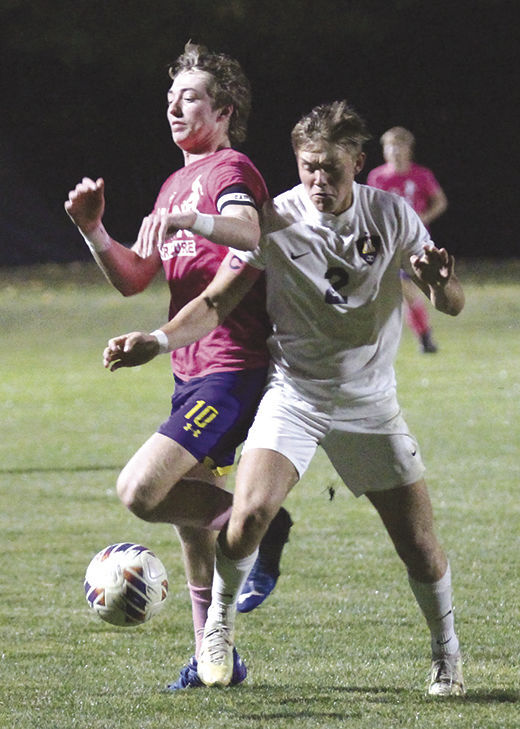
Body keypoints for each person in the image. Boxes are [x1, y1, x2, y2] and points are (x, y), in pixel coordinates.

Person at [103, 100, 466, 697]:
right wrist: (158, 341)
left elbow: (451, 302)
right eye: (307, 168)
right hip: (293, 392)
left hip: (369, 402)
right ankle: (217, 626)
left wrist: (438, 280)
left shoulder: (392, 215)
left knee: (419, 546)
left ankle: (446, 654)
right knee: (247, 517)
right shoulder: (276, 221)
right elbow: (218, 301)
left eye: (331, 168)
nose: (318, 180)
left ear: (358, 161)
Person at [65, 42, 292, 690]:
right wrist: (94, 231)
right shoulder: (173, 183)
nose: (174, 104)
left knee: (142, 490)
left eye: (189, 95)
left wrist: (194, 216)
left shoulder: (230, 169)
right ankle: (214, 656)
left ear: (223, 110)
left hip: (233, 367)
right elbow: (137, 277)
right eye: (171, 96)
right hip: (192, 371)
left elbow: (249, 234)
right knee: (192, 527)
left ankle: (259, 525)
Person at [367, 126, 449, 353]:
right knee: (402, 290)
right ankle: (423, 337)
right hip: (388, 243)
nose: (394, 151)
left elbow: (440, 201)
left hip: (415, 243)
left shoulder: (421, 175)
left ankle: (423, 335)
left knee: (409, 289)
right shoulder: (377, 176)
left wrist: (423, 217)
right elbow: (371, 209)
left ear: (408, 149)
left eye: (399, 146)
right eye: (390, 146)